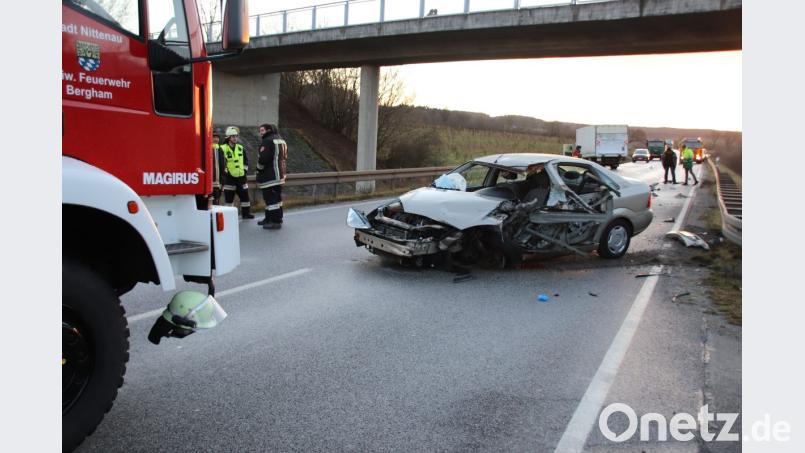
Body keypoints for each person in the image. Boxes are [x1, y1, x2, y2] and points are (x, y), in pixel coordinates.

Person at [256, 123, 288, 229]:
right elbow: (284, 157)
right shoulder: (281, 140)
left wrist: (258, 170)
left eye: (262, 131)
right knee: (277, 198)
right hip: (280, 175)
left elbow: (263, 159)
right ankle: (274, 218)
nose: (260, 133)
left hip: (270, 176)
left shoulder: (267, 141)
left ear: (268, 130)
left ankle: (275, 222)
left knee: (270, 198)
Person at [220, 126, 254, 219]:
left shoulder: (240, 148)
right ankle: (229, 217)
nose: (235, 138)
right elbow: (221, 163)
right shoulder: (223, 148)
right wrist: (226, 174)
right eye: (233, 136)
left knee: (245, 197)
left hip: (241, 177)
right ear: (228, 138)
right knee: (229, 199)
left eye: (236, 136)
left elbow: (246, 161)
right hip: (229, 178)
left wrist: (244, 171)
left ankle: (246, 214)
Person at [211, 133, 224, 205]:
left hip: (218, 180)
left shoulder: (220, 149)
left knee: (217, 199)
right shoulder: (210, 148)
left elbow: (223, 164)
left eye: (217, 138)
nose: (216, 139)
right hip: (212, 180)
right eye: (214, 137)